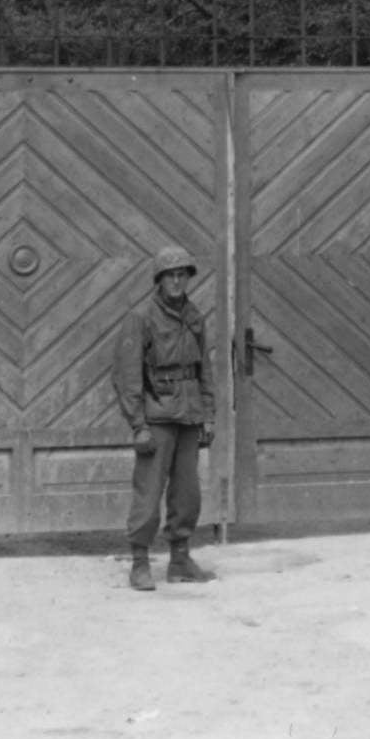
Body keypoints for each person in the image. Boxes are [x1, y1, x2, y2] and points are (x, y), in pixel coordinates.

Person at [111, 245, 215, 591]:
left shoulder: (194, 316)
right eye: (170, 275)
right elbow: (127, 375)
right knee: (149, 491)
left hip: (189, 415)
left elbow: (205, 370)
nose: (176, 280)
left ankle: (180, 560)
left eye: (182, 274)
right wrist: (138, 424)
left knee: (188, 493)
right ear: (159, 279)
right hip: (156, 416)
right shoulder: (141, 318)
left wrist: (208, 414)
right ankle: (140, 562)